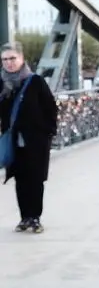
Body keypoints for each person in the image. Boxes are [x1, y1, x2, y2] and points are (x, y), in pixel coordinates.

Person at [0, 42, 58, 234]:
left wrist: (48, 133)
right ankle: (24, 217)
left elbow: (51, 108)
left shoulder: (35, 82)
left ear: (21, 58)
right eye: (5, 59)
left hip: (36, 141)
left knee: (35, 180)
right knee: (20, 180)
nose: (9, 63)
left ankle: (35, 217)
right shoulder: (2, 83)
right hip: (14, 141)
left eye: (12, 58)